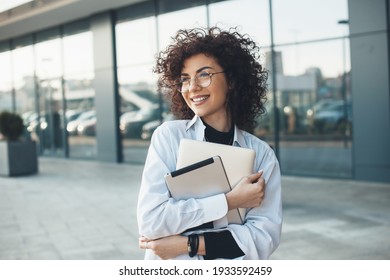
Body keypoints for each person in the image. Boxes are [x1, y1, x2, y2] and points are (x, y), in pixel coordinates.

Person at [137, 26, 282, 260]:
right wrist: (230, 201)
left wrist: (188, 244)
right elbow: (152, 221)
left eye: (204, 74)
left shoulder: (261, 155)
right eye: (185, 79)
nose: (192, 87)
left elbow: (262, 239)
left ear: (232, 80)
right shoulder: (169, 137)